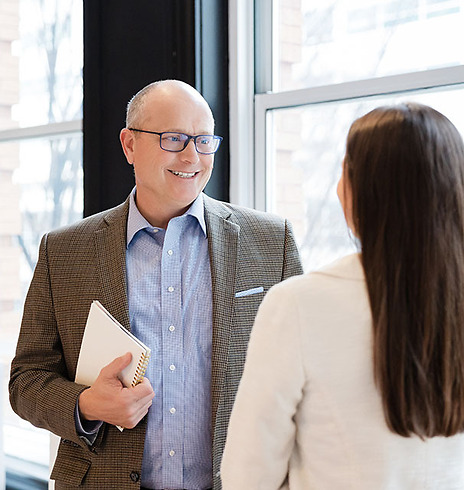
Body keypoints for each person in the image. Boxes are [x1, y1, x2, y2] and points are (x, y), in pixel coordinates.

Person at [9, 79, 303, 489]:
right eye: (174, 138)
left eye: (203, 141)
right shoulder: (64, 251)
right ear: (130, 144)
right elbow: (27, 379)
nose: (192, 156)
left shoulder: (272, 242)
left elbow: (307, 376)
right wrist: (86, 405)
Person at [221, 103, 464, 489]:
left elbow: (247, 477)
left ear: (365, 193)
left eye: (345, 171)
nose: (337, 187)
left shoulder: (298, 304)